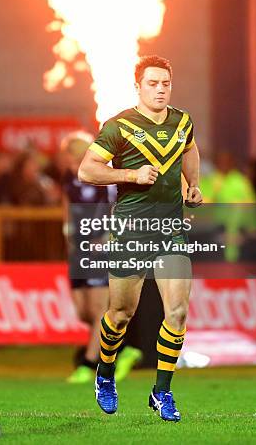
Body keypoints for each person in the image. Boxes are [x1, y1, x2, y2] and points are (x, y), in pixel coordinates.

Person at [78, 55, 202, 422]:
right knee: (120, 314)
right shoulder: (119, 126)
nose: (160, 90)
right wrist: (131, 176)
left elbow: (190, 149)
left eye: (165, 84)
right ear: (138, 86)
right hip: (131, 231)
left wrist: (193, 184)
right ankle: (104, 373)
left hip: (170, 231)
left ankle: (162, 391)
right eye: (153, 84)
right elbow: (88, 170)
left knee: (177, 311)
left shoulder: (183, 121)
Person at [61, 132, 142, 384]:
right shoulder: (69, 181)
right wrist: (69, 239)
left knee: (98, 311)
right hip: (80, 251)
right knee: (83, 312)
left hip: (103, 250)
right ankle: (125, 347)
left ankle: (88, 365)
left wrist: (110, 237)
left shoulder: (106, 180)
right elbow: (66, 214)